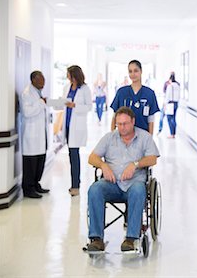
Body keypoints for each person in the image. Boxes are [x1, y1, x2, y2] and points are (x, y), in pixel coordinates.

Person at [87, 106, 159, 252]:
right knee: (95, 189)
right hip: (111, 184)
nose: (122, 127)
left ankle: (131, 239)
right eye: (119, 124)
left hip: (134, 184)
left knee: (139, 190)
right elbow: (92, 157)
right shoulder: (109, 138)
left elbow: (152, 159)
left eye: (125, 124)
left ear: (133, 121)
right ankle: (96, 239)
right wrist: (103, 165)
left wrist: (136, 164)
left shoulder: (144, 137)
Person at [63, 65, 92, 197]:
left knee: (74, 155)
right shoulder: (67, 88)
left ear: (74, 75)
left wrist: (75, 106)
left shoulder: (85, 89)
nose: (67, 76)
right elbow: (63, 102)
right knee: (71, 155)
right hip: (68, 125)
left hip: (77, 126)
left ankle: (75, 185)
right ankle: (75, 183)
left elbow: (89, 107)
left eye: (68, 74)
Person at [20, 70, 50, 198]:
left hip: (39, 135)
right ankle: (28, 189)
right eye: (40, 80)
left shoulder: (37, 92)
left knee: (39, 161)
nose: (43, 83)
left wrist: (42, 102)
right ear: (33, 80)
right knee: (30, 164)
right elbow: (27, 112)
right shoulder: (26, 93)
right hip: (31, 135)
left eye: (44, 80)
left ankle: (36, 184)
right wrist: (41, 102)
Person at [110, 60, 160, 134]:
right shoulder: (121, 92)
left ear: (141, 71)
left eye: (136, 71)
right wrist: (113, 137)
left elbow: (151, 120)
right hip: (123, 136)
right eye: (130, 71)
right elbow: (114, 117)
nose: (133, 74)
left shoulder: (149, 93)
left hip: (143, 136)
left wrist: (149, 139)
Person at [165, 73, 180, 138]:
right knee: (174, 118)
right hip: (176, 103)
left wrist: (165, 104)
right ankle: (174, 133)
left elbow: (167, 96)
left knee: (169, 118)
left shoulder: (170, 86)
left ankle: (172, 134)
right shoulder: (178, 85)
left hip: (170, 103)